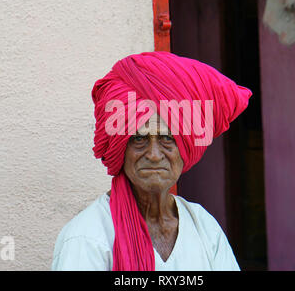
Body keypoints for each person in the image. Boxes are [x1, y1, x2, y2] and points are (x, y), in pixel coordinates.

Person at [51, 51, 252, 271]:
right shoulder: (88, 237)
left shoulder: (203, 227)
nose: (154, 155)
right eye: (139, 139)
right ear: (121, 149)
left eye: (167, 138)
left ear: (185, 148)